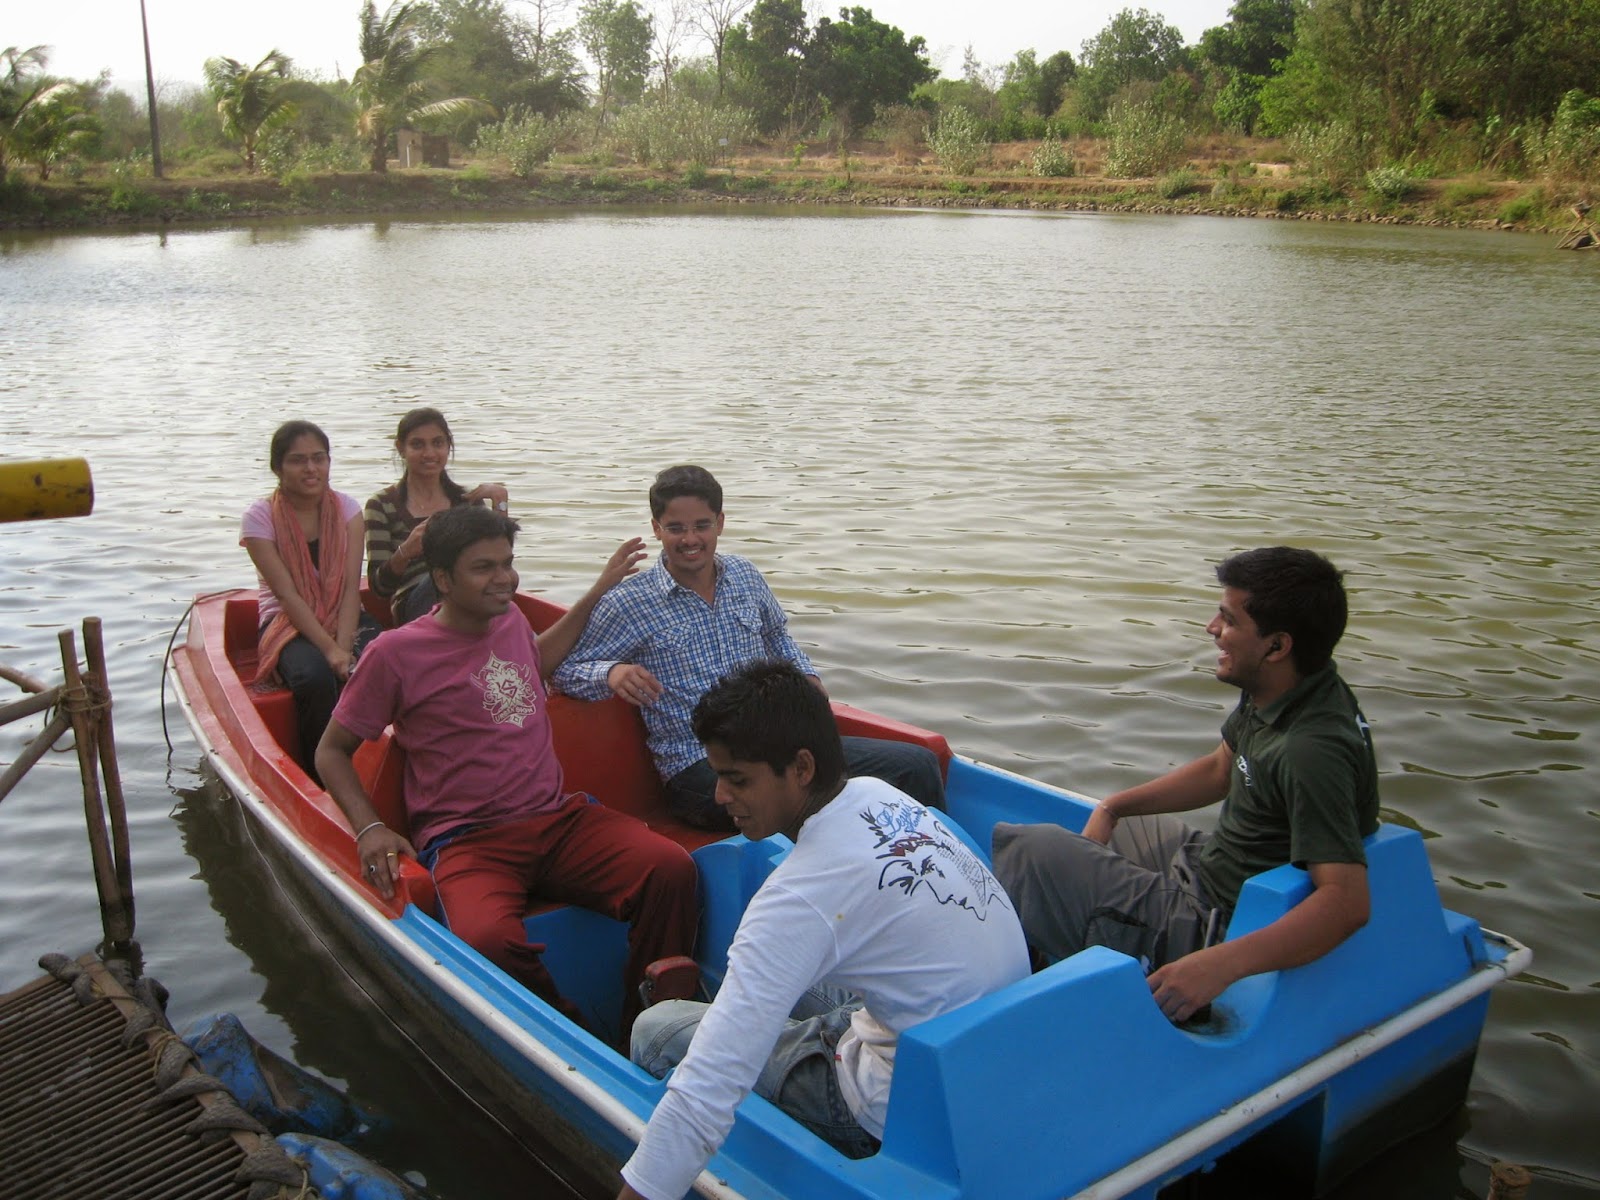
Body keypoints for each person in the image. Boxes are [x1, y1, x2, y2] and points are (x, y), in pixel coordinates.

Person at [617, 661, 1028, 1200]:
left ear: (802, 767)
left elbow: (704, 1095)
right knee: (770, 993)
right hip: (993, 1058)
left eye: (737, 778)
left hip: (897, 1112)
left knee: (657, 1028)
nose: (719, 796)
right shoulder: (882, 796)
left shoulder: (796, 900)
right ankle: (754, 1023)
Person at [315, 505, 699, 1034]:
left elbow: (534, 663)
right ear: (443, 579)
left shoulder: (510, 619)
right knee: (486, 941)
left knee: (671, 868)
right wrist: (370, 827)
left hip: (558, 821)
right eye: (484, 568)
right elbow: (331, 750)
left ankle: (654, 1020)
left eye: (508, 563)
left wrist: (597, 591)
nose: (504, 578)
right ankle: (575, 1038)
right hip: (468, 841)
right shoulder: (395, 654)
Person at [992, 546, 1380, 1025]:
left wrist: (1217, 966)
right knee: (1125, 827)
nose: (1211, 630)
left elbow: (1346, 903)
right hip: (1211, 866)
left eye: (1228, 620)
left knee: (1032, 852)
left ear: (1277, 646)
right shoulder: (1289, 687)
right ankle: (1073, 941)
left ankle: (1011, 1004)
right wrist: (1114, 806)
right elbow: (1221, 769)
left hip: (1214, 922)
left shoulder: (1309, 749)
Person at [551, 465, 946, 832]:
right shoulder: (630, 602)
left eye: (702, 525)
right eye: (676, 528)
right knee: (813, 798)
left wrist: (806, 675)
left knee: (916, 765)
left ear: (720, 523)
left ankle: (938, 873)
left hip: (778, 746)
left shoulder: (744, 575)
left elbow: (778, 638)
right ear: (657, 529)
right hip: (700, 770)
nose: (690, 539)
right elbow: (564, 671)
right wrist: (612, 672)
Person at [241, 419, 381, 777]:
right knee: (314, 677)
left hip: (345, 614)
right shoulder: (259, 519)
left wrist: (345, 643)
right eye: (297, 460)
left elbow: (351, 586)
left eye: (319, 458)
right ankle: (321, 774)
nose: (310, 468)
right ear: (278, 467)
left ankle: (383, 765)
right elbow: (287, 596)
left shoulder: (348, 511)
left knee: (383, 663)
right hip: (289, 623)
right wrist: (332, 651)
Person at [365, 407, 510, 626]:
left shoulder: (467, 501)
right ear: (401, 448)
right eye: (417, 444)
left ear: (448, 446)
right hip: (416, 603)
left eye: (437, 443)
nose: (429, 453)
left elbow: (501, 562)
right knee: (444, 578)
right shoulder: (381, 505)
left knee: (491, 582)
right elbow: (379, 588)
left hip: (475, 596)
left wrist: (500, 504)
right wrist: (405, 552)